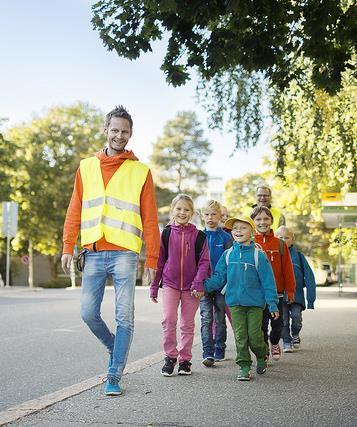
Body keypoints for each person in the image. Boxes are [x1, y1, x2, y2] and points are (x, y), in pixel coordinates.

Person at [61, 105, 160, 396]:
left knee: (124, 317)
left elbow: (151, 218)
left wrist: (152, 258)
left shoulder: (141, 171)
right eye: (114, 130)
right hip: (92, 252)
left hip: (125, 255)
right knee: (88, 313)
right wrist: (68, 245)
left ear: (131, 134)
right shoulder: (86, 166)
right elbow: (75, 208)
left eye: (125, 131)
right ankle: (115, 348)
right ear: (106, 130)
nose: (119, 135)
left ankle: (114, 374)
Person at [204, 215, 279, 381]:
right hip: (235, 303)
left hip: (255, 304)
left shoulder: (258, 256)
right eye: (235, 228)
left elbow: (268, 282)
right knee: (240, 336)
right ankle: (244, 366)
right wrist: (203, 287)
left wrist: (272, 304)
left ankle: (261, 355)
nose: (238, 230)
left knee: (255, 336)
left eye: (243, 227)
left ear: (251, 232)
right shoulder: (228, 254)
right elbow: (219, 276)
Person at [150, 194, 210, 376]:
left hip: (192, 287)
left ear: (192, 213)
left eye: (186, 209)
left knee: (187, 324)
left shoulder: (199, 236)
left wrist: (198, 283)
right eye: (179, 208)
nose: (182, 212)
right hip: (170, 284)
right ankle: (170, 357)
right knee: (168, 320)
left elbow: (204, 262)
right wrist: (154, 286)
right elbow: (159, 262)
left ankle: (185, 359)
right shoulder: (166, 234)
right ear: (173, 210)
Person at [250, 206, 295, 361]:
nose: (263, 222)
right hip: (257, 294)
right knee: (261, 326)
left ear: (271, 221)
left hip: (278, 293)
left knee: (278, 324)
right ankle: (264, 352)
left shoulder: (280, 244)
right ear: (253, 222)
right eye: (258, 219)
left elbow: (288, 270)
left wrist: (290, 290)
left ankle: (274, 342)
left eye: (266, 219)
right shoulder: (249, 242)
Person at [200, 200, 232, 367]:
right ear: (201, 216)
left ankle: (220, 347)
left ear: (220, 216)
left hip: (221, 287)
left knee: (219, 319)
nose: (210, 217)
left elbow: (230, 262)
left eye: (214, 214)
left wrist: (226, 284)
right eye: (207, 214)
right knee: (206, 319)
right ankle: (207, 352)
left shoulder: (226, 237)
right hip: (204, 286)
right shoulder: (199, 236)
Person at [276, 226, 316, 352]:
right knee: (283, 321)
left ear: (292, 239)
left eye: (286, 238)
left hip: (296, 296)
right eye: (280, 238)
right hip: (280, 296)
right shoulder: (274, 256)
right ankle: (287, 341)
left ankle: (295, 334)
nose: (283, 240)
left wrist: (311, 299)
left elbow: (309, 277)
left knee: (296, 318)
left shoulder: (299, 256)